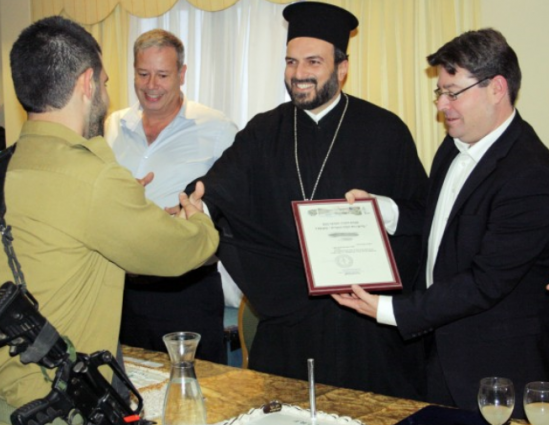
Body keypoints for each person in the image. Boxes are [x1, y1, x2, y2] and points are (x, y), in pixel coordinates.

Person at [0, 16, 218, 425]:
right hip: (58, 414)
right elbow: (184, 251)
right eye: (107, 82)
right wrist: (198, 220)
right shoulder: (94, 179)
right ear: (87, 84)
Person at [185, 2, 428, 399]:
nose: (298, 74)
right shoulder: (265, 130)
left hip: (364, 332)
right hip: (288, 325)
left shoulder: (386, 131)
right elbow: (221, 185)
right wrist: (200, 207)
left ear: (342, 68)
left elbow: (425, 215)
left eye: (313, 61)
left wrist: (386, 211)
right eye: (291, 61)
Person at [335, 28, 549, 418]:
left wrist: (390, 310)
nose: (442, 105)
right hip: (437, 355)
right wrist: (385, 210)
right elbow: (443, 219)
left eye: (453, 92)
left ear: (497, 88)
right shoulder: (453, 144)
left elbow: (486, 282)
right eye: (440, 92)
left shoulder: (531, 173)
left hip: (495, 370)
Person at [104, 29, 237, 364]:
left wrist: (191, 216)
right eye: (143, 73)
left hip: (185, 290)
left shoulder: (217, 129)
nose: (151, 85)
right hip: (119, 287)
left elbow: (235, 207)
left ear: (182, 74)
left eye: (162, 75)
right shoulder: (112, 126)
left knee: (197, 395)